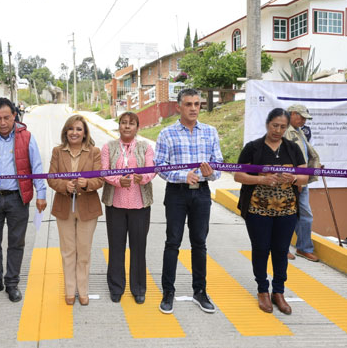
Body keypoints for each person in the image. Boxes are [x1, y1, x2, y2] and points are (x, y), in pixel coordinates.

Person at [0, 97, 47, 302]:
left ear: (14, 115)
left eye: (6, 117)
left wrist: (41, 194)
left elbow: (37, 168)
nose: (2, 123)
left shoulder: (27, 137)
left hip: (17, 198)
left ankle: (12, 283)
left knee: (16, 243)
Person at [154, 88, 223, 315]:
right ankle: (168, 292)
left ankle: (200, 292)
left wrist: (209, 173)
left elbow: (219, 166)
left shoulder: (210, 132)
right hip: (176, 193)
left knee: (199, 243)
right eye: (189, 104)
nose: (194, 108)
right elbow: (160, 167)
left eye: (197, 104)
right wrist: (182, 176)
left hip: (202, 193)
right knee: (172, 242)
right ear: (178, 107)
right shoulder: (167, 134)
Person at [234, 108, 308, 315]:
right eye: (275, 125)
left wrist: (293, 178)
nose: (278, 130)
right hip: (258, 210)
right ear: (267, 124)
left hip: (287, 210)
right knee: (260, 249)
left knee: (281, 250)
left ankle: (279, 291)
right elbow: (238, 175)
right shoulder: (253, 148)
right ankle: (262, 290)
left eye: (283, 126)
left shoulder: (292, 148)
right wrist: (261, 179)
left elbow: (304, 176)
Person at [47, 115, 103, 306]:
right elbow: (51, 177)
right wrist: (64, 186)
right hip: (64, 207)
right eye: (71, 129)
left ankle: (83, 290)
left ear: (85, 133)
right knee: (68, 251)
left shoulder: (94, 152)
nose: (74, 133)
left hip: (88, 207)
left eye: (79, 129)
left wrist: (87, 183)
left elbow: (100, 179)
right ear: (65, 132)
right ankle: (70, 290)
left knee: (84, 251)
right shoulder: (57, 151)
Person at [101, 112, 156, 304]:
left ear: (137, 127)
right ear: (119, 126)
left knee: (138, 248)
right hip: (115, 205)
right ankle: (116, 287)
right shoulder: (108, 147)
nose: (127, 126)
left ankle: (139, 288)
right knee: (116, 248)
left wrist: (145, 178)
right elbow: (104, 170)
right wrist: (117, 181)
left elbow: (151, 168)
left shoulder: (146, 147)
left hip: (140, 205)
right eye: (123, 123)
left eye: (131, 124)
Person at [285, 104, 320, 262]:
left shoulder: (299, 131)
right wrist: (296, 180)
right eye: (302, 116)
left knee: (305, 215)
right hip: (290, 181)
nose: (304, 120)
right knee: (285, 215)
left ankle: (304, 248)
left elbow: (304, 155)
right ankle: (282, 248)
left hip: (302, 180)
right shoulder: (284, 131)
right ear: (292, 114)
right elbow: (285, 159)